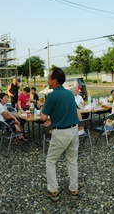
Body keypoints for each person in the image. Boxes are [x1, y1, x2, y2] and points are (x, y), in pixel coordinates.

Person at [37, 67, 79, 201]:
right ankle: (74, 188)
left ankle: (53, 190)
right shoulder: (69, 93)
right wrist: (53, 119)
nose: (47, 80)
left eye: (49, 78)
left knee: (50, 160)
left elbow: (43, 118)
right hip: (74, 130)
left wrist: (41, 107)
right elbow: (67, 111)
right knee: (72, 161)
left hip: (61, 132)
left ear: (54, 81)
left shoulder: (52, 95)